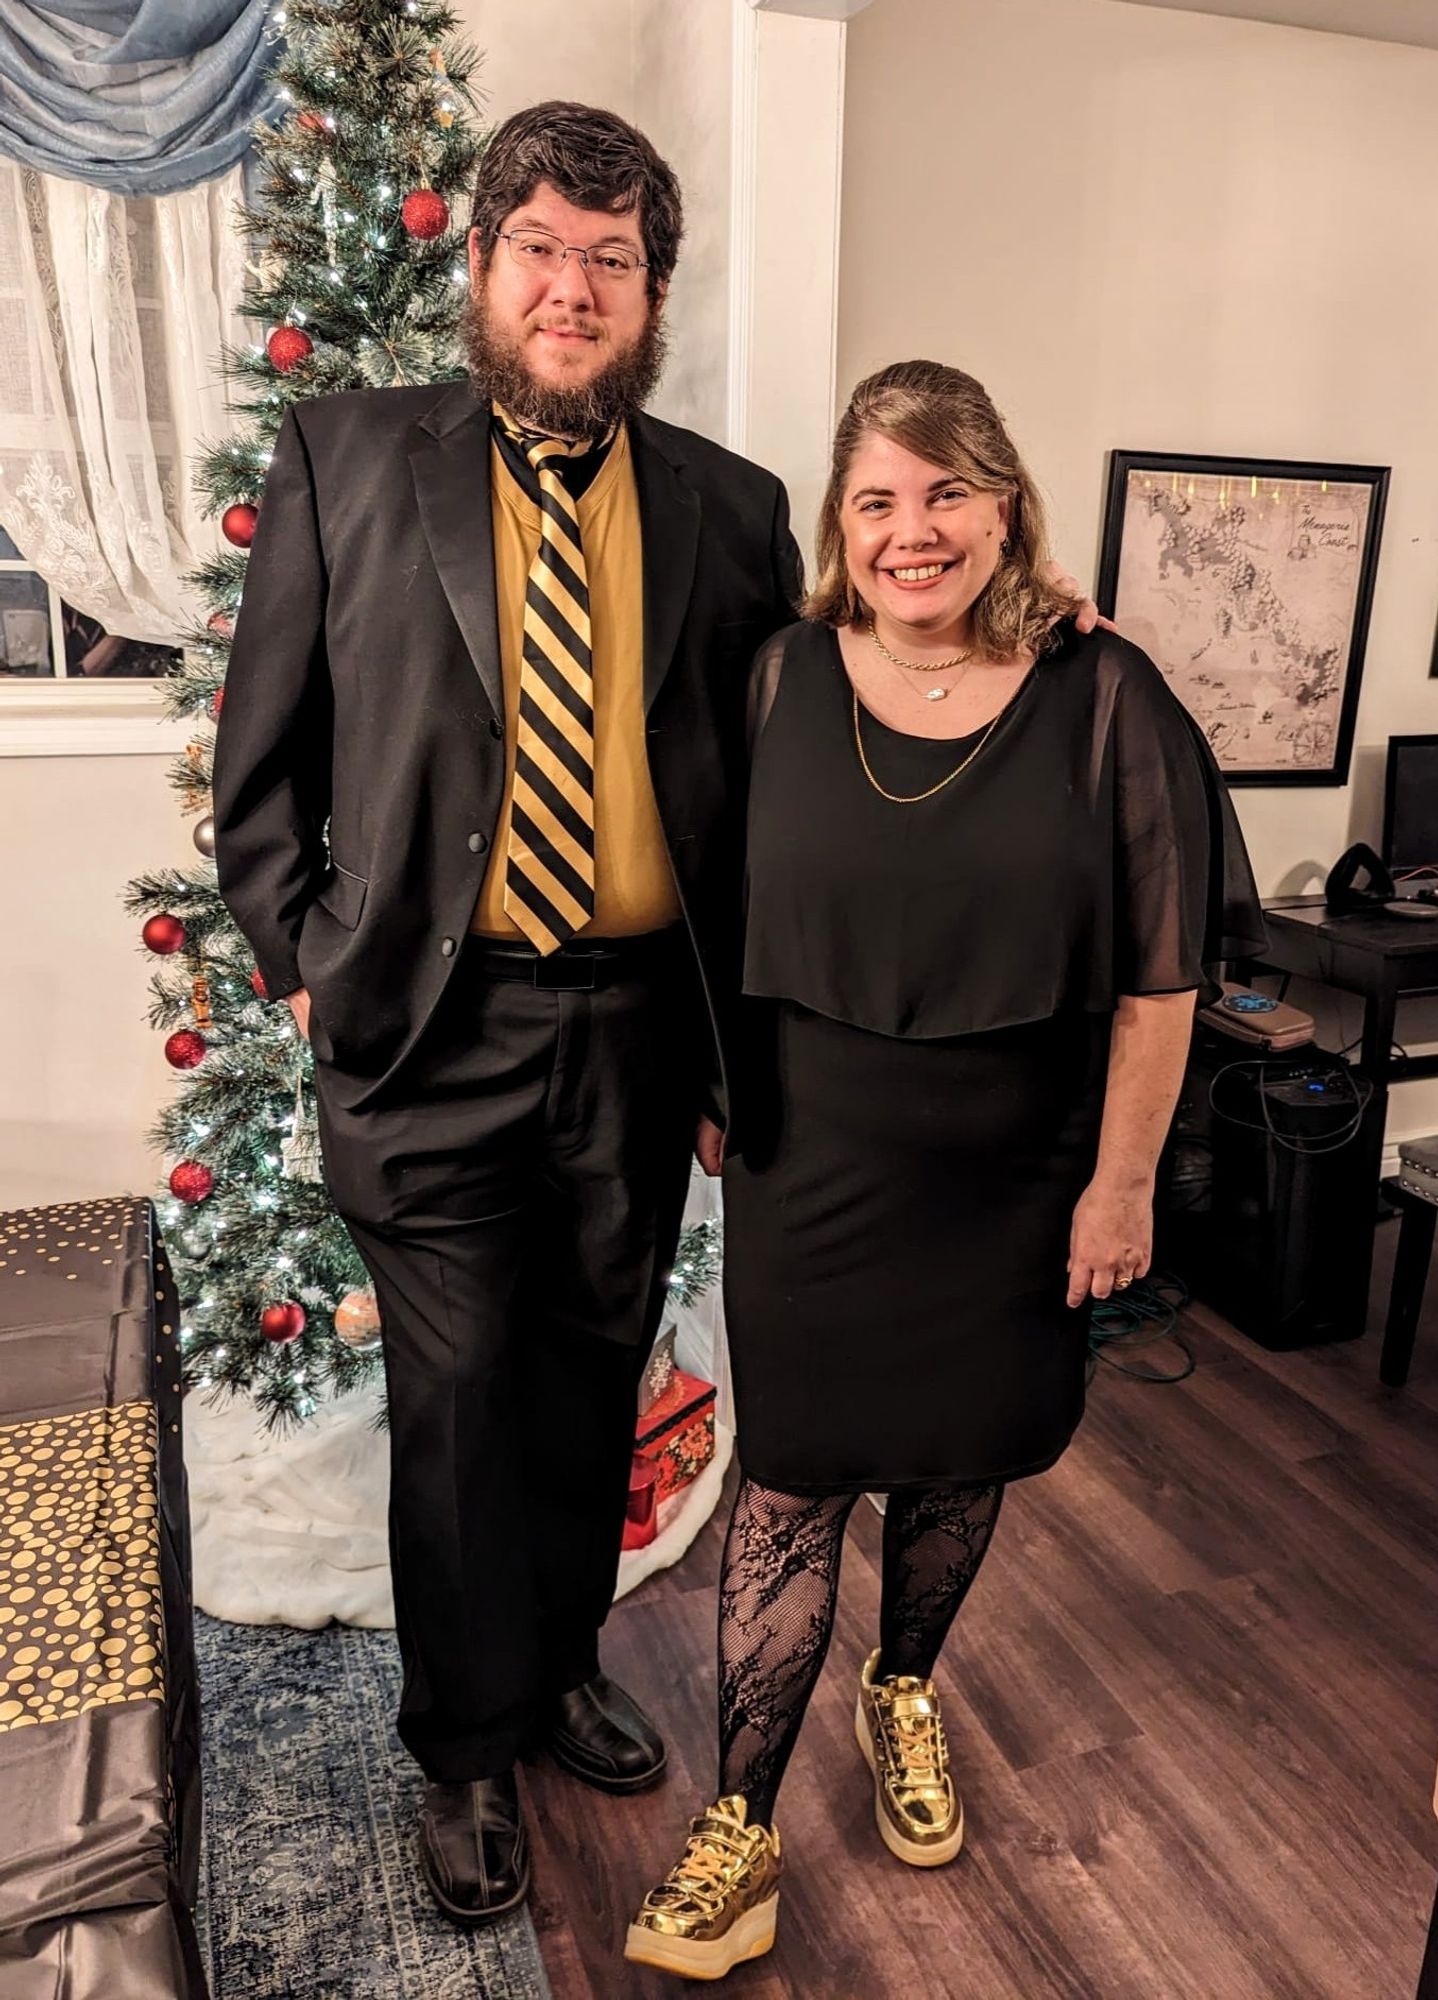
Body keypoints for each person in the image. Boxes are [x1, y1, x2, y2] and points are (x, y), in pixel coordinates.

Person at [211, 102, 805, 1927]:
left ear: (651, 294)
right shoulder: (347, 455)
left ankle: (551, 1668)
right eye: (539, 245)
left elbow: (777, 787)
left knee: (582, 1381)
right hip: (426, 1031)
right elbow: (263, 762)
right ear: (481, 268)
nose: (572, 286)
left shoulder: (736, 508)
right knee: (458, 1398)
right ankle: (464, 1748)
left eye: (610, 259)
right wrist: (308, 960)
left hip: (634, 1031)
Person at [626, 360, 1266, 1980]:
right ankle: (741, 1824)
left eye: (945, 492)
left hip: (1017, 1169)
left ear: (1000, 504)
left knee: (959, 1464)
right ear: (841, 528)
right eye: (876, 501)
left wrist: (1121, 1186)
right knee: (788, 1488)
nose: (913, 531)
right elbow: (703, 901)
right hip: (813, 1160)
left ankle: (903, 1687)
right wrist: (707, 1086)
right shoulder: (775, 676)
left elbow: (1161, 975)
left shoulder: (1104, 693)